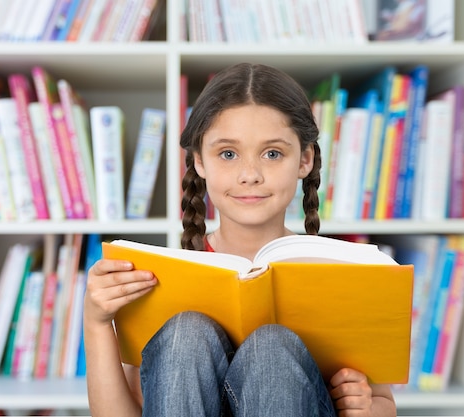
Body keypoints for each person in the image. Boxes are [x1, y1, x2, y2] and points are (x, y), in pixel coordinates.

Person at [84, 62, 397, 416]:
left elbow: (382, 404)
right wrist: (96, 322)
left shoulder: (342, 271)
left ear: (304, 160)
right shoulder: (165, 276)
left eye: (273, 153)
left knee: (272, 348)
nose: (250, 175)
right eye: (228, 154)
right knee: (186, 333)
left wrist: (363, 406)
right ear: (199, 161)